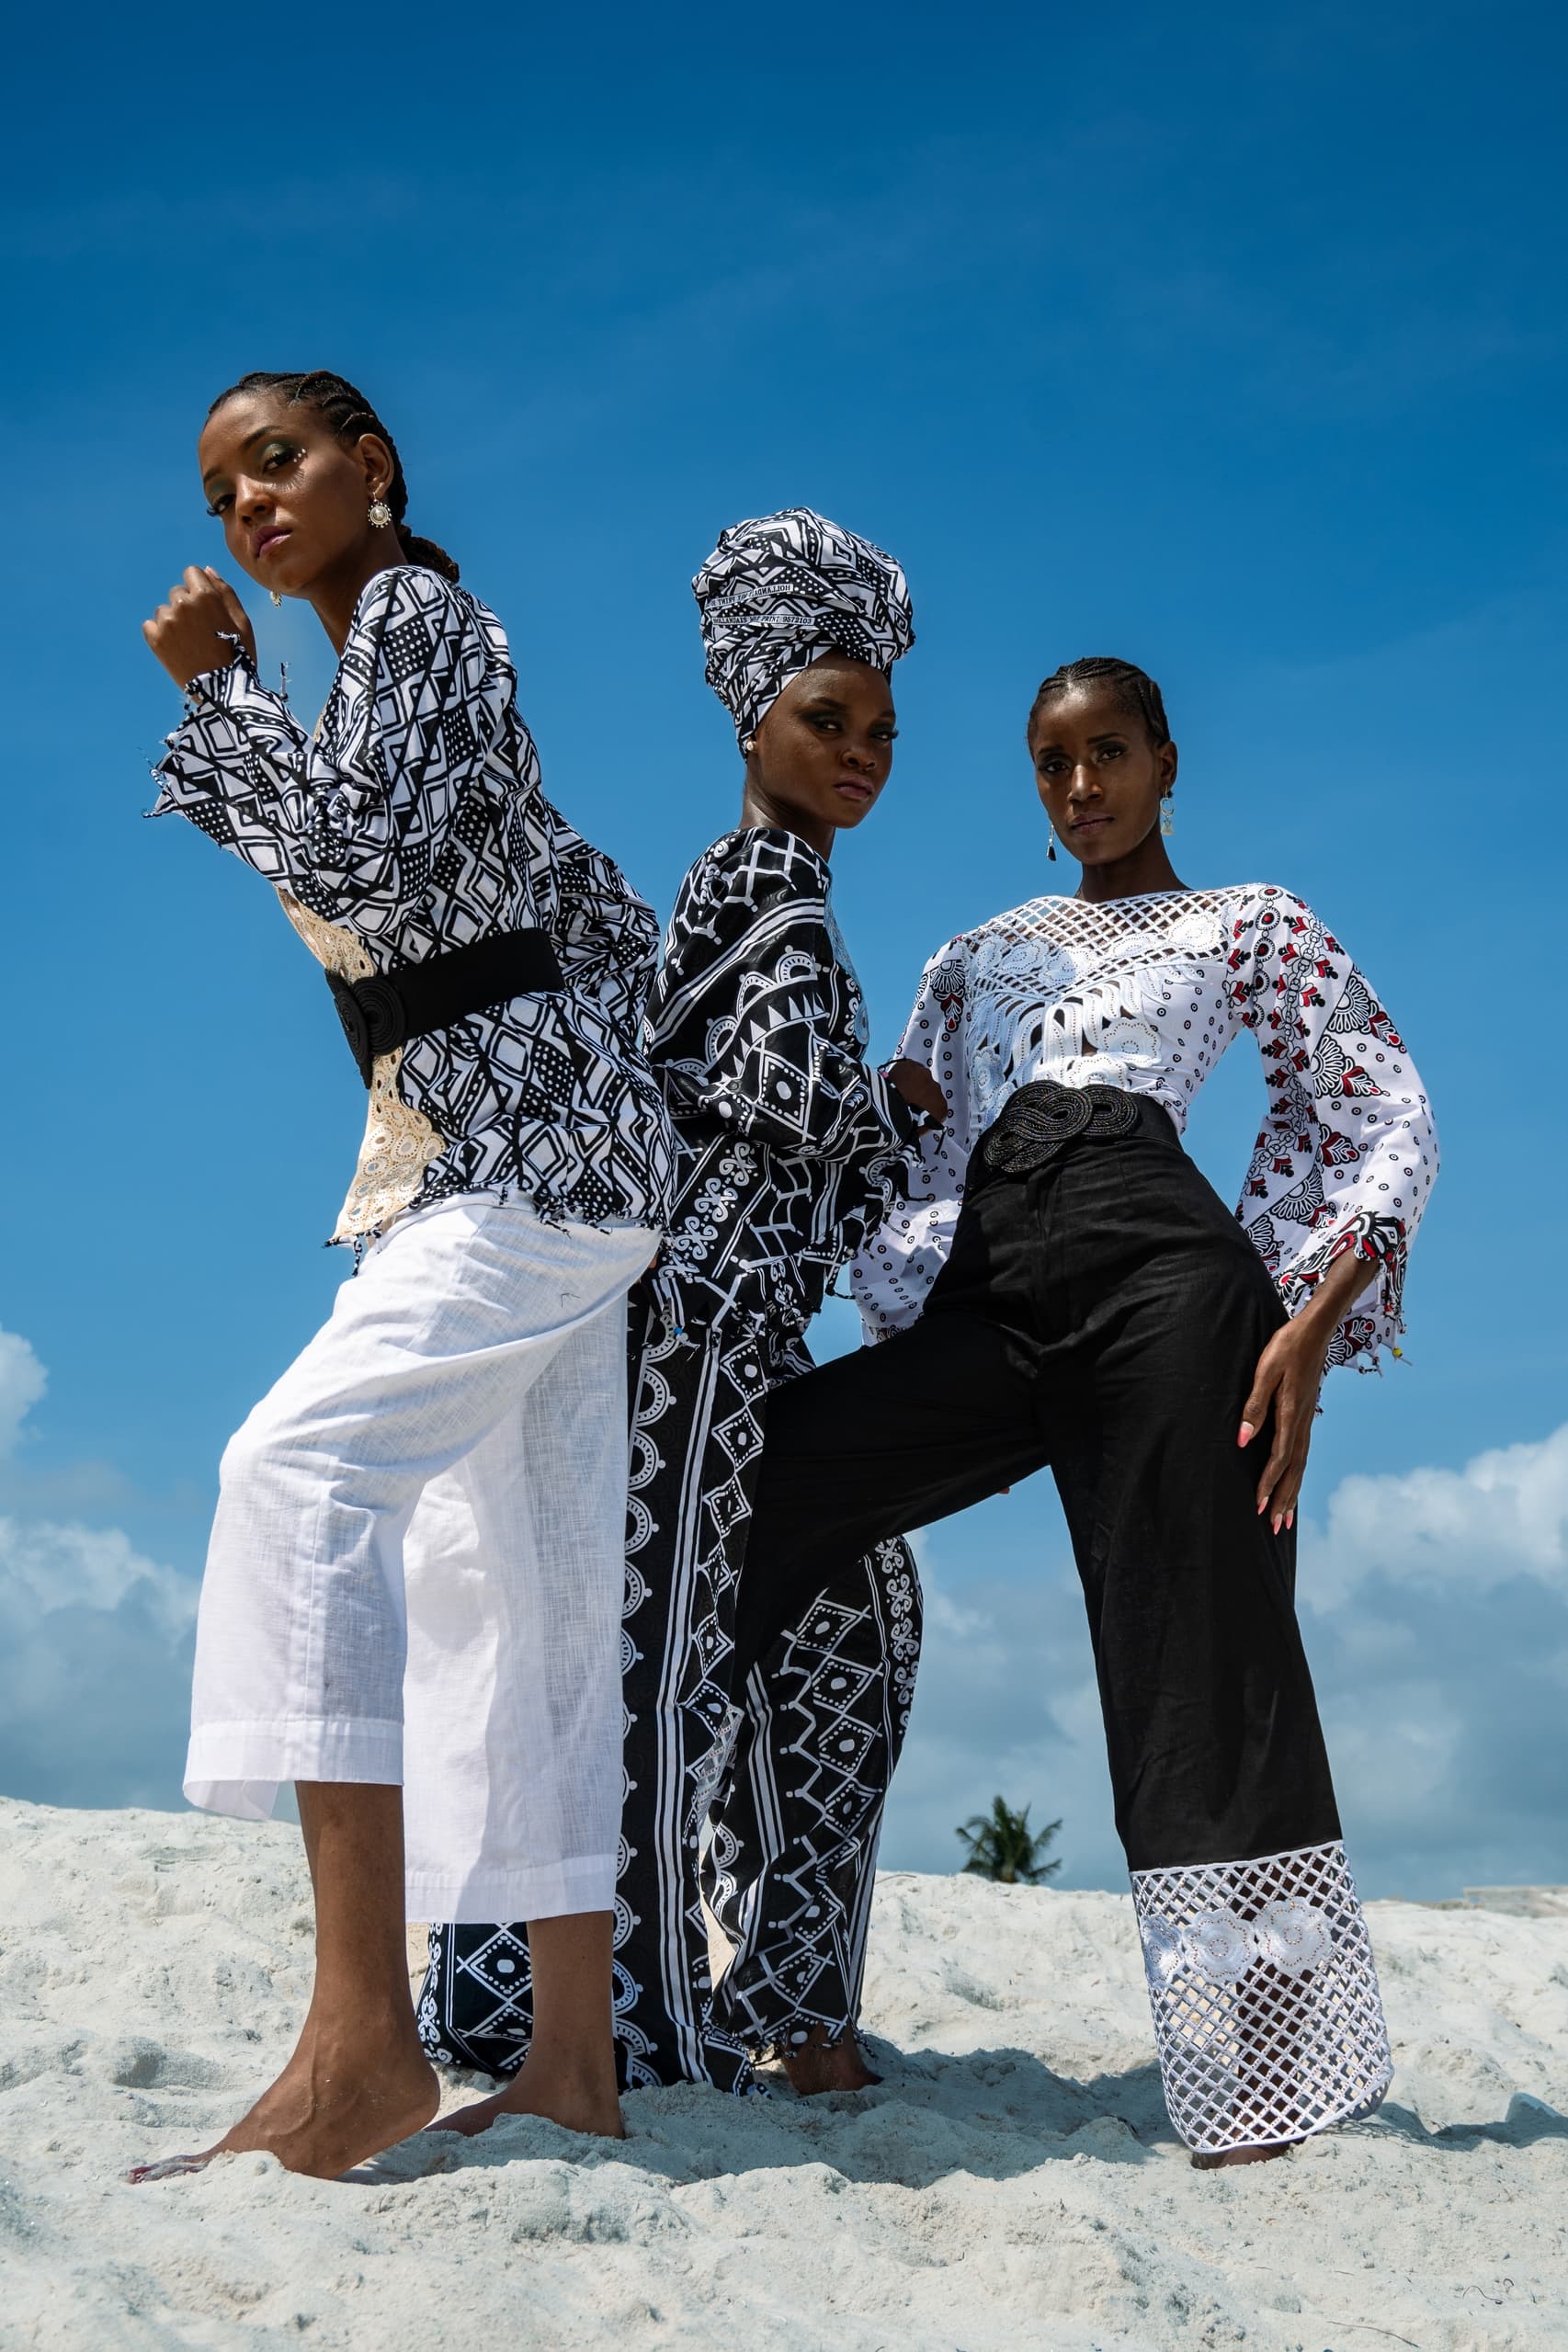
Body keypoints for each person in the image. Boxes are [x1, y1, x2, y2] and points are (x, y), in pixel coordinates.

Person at [732, 654, 1437, 2166]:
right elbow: (910, 1151)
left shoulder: (1244, 919)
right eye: (1052, 764)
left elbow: (1378, 1101)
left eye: (1107, 752)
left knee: (1200, 1651)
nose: (1080, 786)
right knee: (754, 1491)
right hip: (992, 1291)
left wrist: (1309, 1325)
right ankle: (729, 1961)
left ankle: (1259, 2081)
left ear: (1164, 761)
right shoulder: (978, 951)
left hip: (1163, 1281)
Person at [130, 369, 674, 2181]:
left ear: (372, 463)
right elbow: (546, 896)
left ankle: (363, 2038)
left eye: (277, 461)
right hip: (539, 1152)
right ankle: (573, 2064)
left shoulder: (423, 622)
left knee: (294, 1476)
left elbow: (366, 864)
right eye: (222, 493)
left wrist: (220, 696)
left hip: (532, 1163)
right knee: (527, 1594)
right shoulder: (396, 657)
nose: (249, 506)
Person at [418, 509, 939, 2102]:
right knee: (648, 1671)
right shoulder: (757, 878)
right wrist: (893, 1109)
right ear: (751, 723)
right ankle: (601, 2020)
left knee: (843, 1617)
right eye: (825, 721)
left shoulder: (773, 888)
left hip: (742, 1339)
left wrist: (866, 1136)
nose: (857, 754)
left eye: (878, 733)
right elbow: (783, 1104)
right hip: (687, 1337)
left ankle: (780, 2000)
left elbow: (766, 1129)